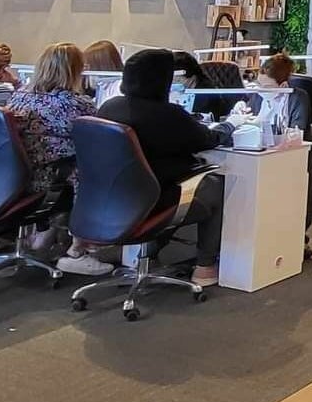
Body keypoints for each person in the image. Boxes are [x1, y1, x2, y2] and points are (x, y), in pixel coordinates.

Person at [96, 48, 227, 287]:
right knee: (215, 186)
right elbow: (206, 140)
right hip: (154, 199)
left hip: (115, 199)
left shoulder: (109, 107)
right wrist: (227, 128)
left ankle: (148, 257)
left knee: (172, 187)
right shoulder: (168, 115)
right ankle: (205, 266)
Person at [5, 43, 100, 267]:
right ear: (75, 71)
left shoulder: (18, 97)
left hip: (18, 175)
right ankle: (80, 249)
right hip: (53, 178)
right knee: (97, 170)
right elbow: (98, 136)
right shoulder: (75, 103)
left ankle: (46, 236)